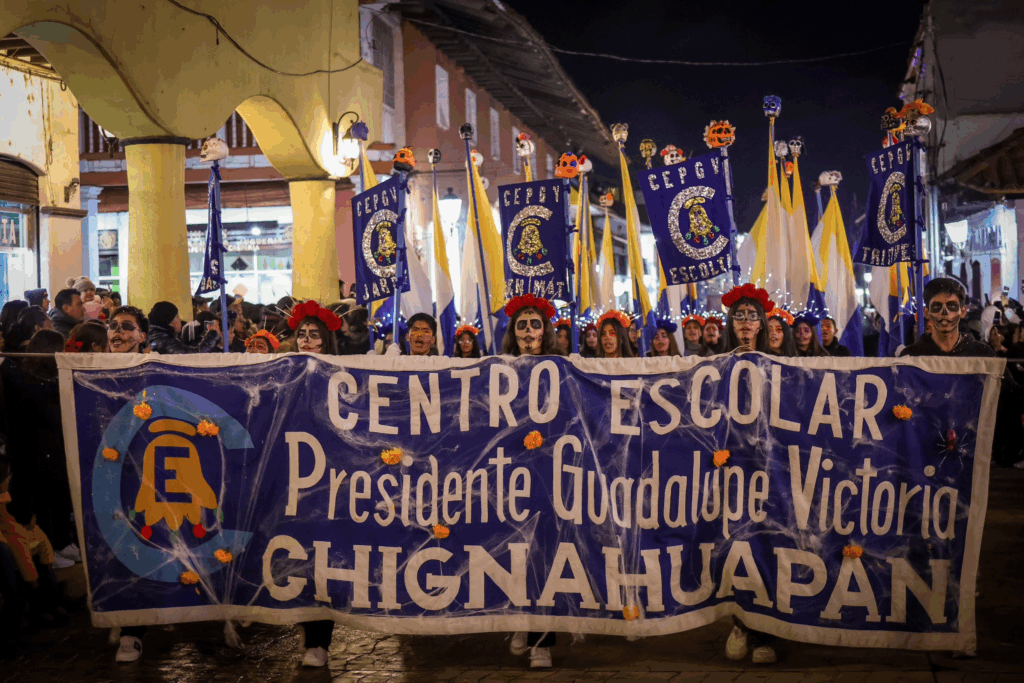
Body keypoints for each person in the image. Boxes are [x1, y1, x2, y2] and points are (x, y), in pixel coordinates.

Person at [720, 283, 779, 664]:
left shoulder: (778, 363)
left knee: (766, 545)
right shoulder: (714, 364)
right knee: (733, 546)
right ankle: (740, 621)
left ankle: (763, 631)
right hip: (728, 469)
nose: (745, 322)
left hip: (768, 468)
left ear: (761, 324)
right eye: (738, 316)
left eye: (751, 316)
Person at [284, 300, 342, 667]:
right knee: (295, 558)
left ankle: (318, 641)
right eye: (302, 334)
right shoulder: (280, 372)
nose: (306, 340)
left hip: (329, 481)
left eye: (314, 335)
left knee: (323, 558)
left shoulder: (342, 373)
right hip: (289, 479)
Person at [501, 294, 558, 668]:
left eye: (534, 324)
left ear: (545, 331)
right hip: (509, 474)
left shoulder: (562, 368)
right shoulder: (498, 369)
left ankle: (543, 641)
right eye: (521, 325)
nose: (527, 330)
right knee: (511, 552)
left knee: (546, 556)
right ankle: (519, 620)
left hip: (550, 476)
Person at [900, 278, 995, 358]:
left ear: (962, 311)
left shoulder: (982, 355)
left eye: (952, 306)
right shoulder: (911, 356)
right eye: (937, 306)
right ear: (926, 312)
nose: (944, 313)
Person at [148, 302, 220, 354]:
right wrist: (212, 333)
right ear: (169, 322)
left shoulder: (160, 338)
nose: (180, 320)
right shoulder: (164, 343)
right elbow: (195, 355)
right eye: (177, 316)